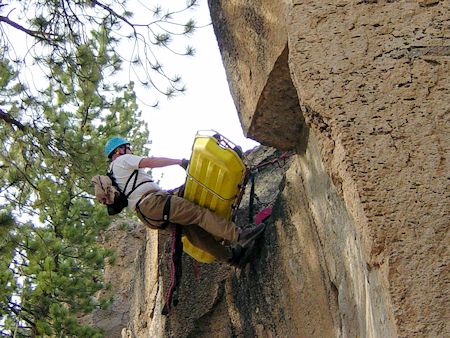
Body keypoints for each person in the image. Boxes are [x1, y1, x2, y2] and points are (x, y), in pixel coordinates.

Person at [93, 136, 266, 266]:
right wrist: (180, 162)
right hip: (153, 203)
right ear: (119, 151)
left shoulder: (114, 174)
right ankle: (240, 235)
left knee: (193, 230)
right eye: (128, 148)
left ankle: (232, 258)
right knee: (198, 214)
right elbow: (151, 162)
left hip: (147, 216)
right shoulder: (122, 161)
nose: (130, 150)